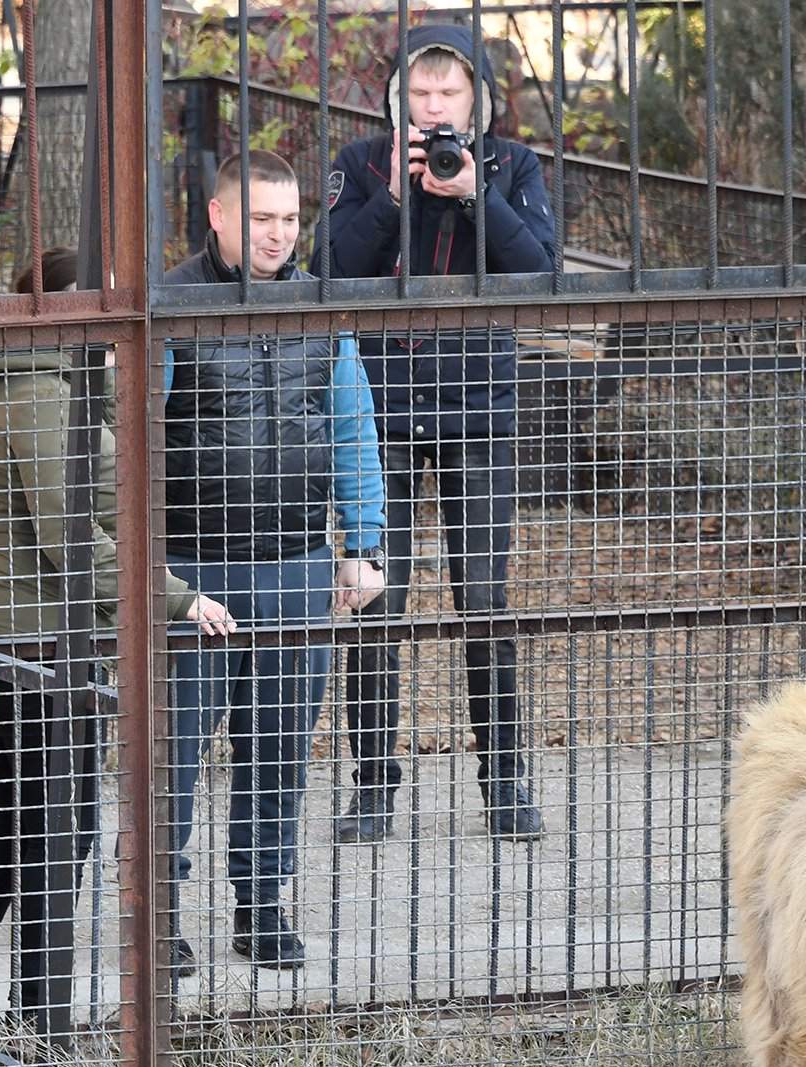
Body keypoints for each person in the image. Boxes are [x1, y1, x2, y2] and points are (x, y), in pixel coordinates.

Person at [0, 247, 238, 1024]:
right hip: (38, 648)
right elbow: (69, 533)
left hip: (26, 641)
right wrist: (173, 597)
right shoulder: (38, 393)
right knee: (48, 834)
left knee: (20, 834)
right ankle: (32, 1013)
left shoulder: (35, 377)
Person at [324, 23, 556, 844]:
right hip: (377, 407)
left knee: (483, 600)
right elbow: (327, 269)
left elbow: (539, 272)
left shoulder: (511, 166)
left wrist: (471, 196)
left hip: (479, 409)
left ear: (475, 102)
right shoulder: (360, 165)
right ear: (398, 102)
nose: (433, 110)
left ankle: (505, 783)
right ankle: (373, 787)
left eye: (448, 94)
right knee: (377, 598)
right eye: (419, 95)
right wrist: (392, 196)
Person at [162, 150, 388, 971]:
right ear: (220, 215)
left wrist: (363, 546)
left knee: (281, 749)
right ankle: (158, 913)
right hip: (195, 570)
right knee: (173, 755)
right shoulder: (171, 305)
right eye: (262, 218)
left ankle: (261, 908)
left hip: (296, 564)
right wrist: (160, 582)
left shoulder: (319, 309)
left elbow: (354, 429)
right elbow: (134, 444)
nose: (279, 234)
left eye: (291, 219)